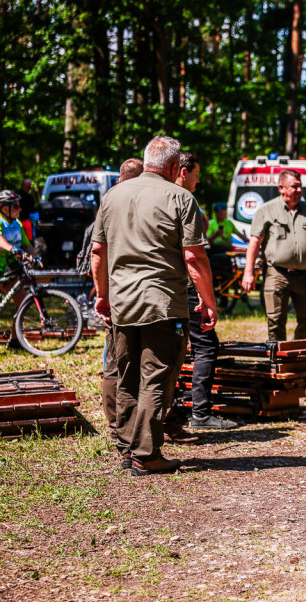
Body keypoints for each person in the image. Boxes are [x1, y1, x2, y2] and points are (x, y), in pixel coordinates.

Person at [91, 135, 217, 476]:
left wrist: (102, 294)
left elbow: (98, 253)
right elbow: (193, 257)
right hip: (163, 305)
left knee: (127, 377)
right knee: (156, 378)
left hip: (122, 304)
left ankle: (127, 449)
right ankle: (146, 455)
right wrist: (208, 301)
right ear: (175, 167)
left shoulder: (113, 195)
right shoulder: (180, 197)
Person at [174, 151, 236, 431]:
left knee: (167, 350)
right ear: (183, 171)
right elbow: (195, 257)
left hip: (159, 291)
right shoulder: (186, 201)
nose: (198, 181)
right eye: (197, 175)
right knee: (206, 346)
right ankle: (199, 413)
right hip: (184, 288)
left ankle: (172, 410)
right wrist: (206, 296)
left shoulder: (150, 198)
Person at [242, 170, 306, 342]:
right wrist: (248, 272)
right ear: (281, 188)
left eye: (300, 186)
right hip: (277, 274)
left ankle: (295, 353)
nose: (299, 190)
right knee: (275, 321)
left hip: (305, 275)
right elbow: (254, 243)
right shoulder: (266, 210)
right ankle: (278, 361)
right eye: (294, 186)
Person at [93, 158, 144, 443]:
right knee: (118, 365)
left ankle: (120, 428)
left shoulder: (109, 202)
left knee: (116, 362)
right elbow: (99, 252)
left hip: (117, 293)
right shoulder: (127, 203)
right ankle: (120, 429)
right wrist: (103, 295)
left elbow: (96, 253)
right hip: (126, 295)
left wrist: (101, 292)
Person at [0, 190, 36, 352]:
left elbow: (27, 244)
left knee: (22, 303)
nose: (20, 209)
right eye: (16, 206)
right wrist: (12, 249)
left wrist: (35, 257)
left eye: (19, 205)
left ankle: (14, 339)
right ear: (4, 208)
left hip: (10, 269)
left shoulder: (16, 224)